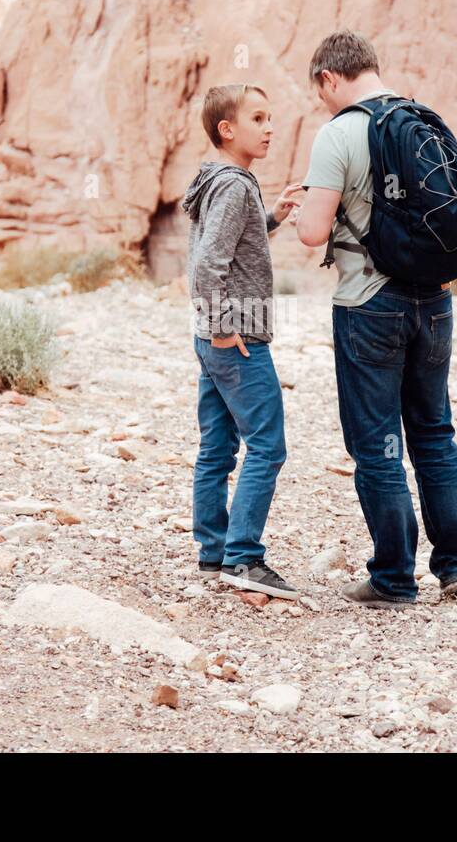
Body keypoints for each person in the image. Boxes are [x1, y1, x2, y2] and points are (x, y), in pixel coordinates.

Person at [295, 31, 457, 609]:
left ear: (329, 78)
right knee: (434, 434)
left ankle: (394, 579)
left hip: (369, 304)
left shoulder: (338, 133)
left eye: (319, 91)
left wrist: (301, 204)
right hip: (435, 298)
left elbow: (311, 233)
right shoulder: (422, 119)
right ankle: (454, 569)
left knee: (376, 445)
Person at [181, 83, 303, 600]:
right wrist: (226, 326)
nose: (269, 127)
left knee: (217, 447)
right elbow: (209, 262)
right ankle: (244, 558)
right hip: (237, 336)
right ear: (227, 130)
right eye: (258, 118)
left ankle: (214, 552)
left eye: (270, 117)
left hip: (212, 337)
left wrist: (271, 217)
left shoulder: (221, 181)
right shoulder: (233, 185)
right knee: (268, 446)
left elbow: (234, 247)